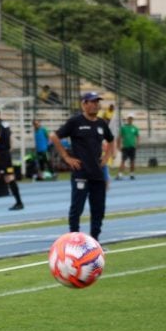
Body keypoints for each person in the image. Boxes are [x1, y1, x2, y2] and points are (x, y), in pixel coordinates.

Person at [49, 92, 115, 242]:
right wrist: (66, 157)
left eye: (97, 102)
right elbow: (54, 136)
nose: (95, 105)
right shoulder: (75, 122)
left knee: (98, 209)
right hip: (81, 173)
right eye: (92, 102)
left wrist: (106, 157)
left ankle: (95, 241)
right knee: (76, 209)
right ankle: (74, 241)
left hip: (97, 174)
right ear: (84, 104)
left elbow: (111, 140)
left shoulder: (101, 123)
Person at [117, 114, 140, 180]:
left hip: (132, 147)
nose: (130, 120)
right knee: (123, 161)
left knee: (132, 161)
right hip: (125, 146)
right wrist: (118, 145)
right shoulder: (123, 128)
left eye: (131, 118)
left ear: (133, 120)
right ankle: (120, 174)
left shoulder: (135, 128)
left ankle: (132, 174)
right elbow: (119, 137)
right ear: (127, 119)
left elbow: (138, 136)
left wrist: (137, 144)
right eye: (129, 118)